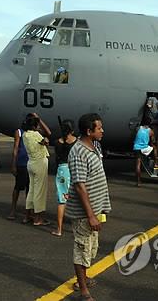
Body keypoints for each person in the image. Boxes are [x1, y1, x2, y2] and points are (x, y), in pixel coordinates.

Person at [66, 113, 111, 301]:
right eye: (99, 128)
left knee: (91, 248)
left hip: (95, 209)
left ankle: (83, 278)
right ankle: (83, 290)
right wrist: (90, 215)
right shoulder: (78, 151)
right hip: (85, 212)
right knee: (82, 248)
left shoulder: (94, 146)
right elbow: (79, 185)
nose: (102, 131)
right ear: (88, 130)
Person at [22, 113, 51, 226]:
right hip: (40, 163)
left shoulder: (25, 134)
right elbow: (48, 134)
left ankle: (27, 215)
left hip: (31, 162)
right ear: (34, 126)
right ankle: (38, 218)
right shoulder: (35, 134)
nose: (39, 127)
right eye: (37, 125)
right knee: (40, 192)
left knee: (32, 191)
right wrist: (40, 119)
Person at [51, 119, 77, 237]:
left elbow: (57, 158)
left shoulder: (57, 142)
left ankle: (59, 229)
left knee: (62, 200)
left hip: (61, 170)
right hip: (73, 169)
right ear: (71, 129)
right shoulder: (76, 141)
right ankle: (76, 228)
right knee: (75, 199)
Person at [8, 115, 32, 221]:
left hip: (31, 163)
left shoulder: (34, 133)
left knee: (29, 189)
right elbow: (16, 148)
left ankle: (28, 212)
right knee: (18, 187)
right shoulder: (19, 132)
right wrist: (13, 163)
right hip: (22, 163)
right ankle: (13, 209)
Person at [133, 117, 156, 187]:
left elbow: (135, 133)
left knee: (138, 165)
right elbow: (153, 141)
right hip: (145, 148)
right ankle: (156, 162)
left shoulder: (138, 128)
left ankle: (138, 181)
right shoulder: (150, 131)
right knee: (155, 148)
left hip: (136, 147)